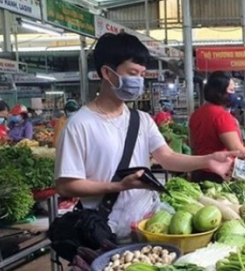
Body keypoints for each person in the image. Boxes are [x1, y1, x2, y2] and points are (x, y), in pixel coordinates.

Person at [55, 33, 235, 238]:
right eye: (132, 73)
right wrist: (118, 186)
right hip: (106, 232)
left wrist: (207, 160)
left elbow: (167, 158)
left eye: (142, 74)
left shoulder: (141, 119)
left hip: (149, 225)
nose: (139, 81)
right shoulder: (79, 125)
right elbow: (65, 185)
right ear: (107, 72)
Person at [188, 70, 245, 184]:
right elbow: (237, 151)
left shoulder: (196, 114)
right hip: (219, 174)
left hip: (198, 171)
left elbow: (192, 145)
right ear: (220, 93)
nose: (234, 94)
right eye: (231, 90)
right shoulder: (222, 116)